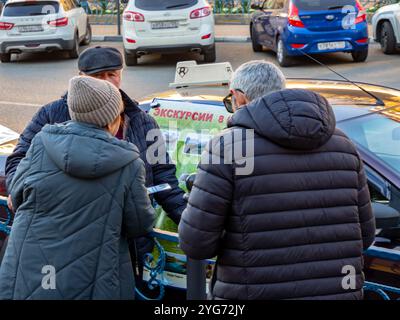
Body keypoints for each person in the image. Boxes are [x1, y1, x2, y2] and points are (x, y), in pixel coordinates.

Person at [178, 61, 376, 300]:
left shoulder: (227, 147)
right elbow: (365, 234)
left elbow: (196, 243)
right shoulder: (344, 145)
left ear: (239, 97)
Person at [0, 76, 155, 299]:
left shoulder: (42, 143)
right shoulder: (128, 162)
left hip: (32, 270)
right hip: (93, 277)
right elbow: (139, 223)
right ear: (111, 119)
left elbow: (17, 192)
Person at [6, 46, 186, 225]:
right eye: (98, 76)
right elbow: (19, 158)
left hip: (126, 235)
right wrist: (17, 189)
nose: (106, 82)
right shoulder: (51, 115)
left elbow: (164, 176)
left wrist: (190, 222)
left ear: (121, 75)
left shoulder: (143, 121)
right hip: (64, 223)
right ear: (80, 78)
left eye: (112, 75)